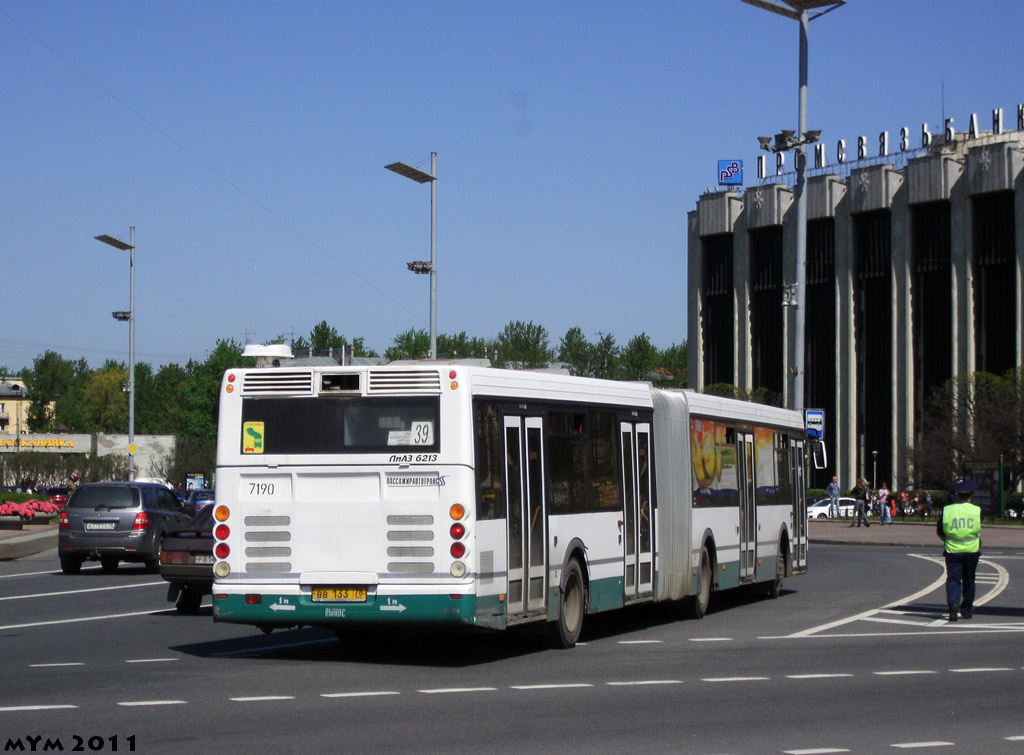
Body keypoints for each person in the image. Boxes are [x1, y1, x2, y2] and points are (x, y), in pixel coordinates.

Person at [937, 479, 981, 622]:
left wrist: (947, 540)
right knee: (969, 580)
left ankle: (953, 605)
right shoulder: (976, 510)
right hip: (971, 551)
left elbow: (940, 531)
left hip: (952, 550)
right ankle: (967, 610)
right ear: (971, 495)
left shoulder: (948, 510)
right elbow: (977, 530)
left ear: (958, 495)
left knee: (953, 579)